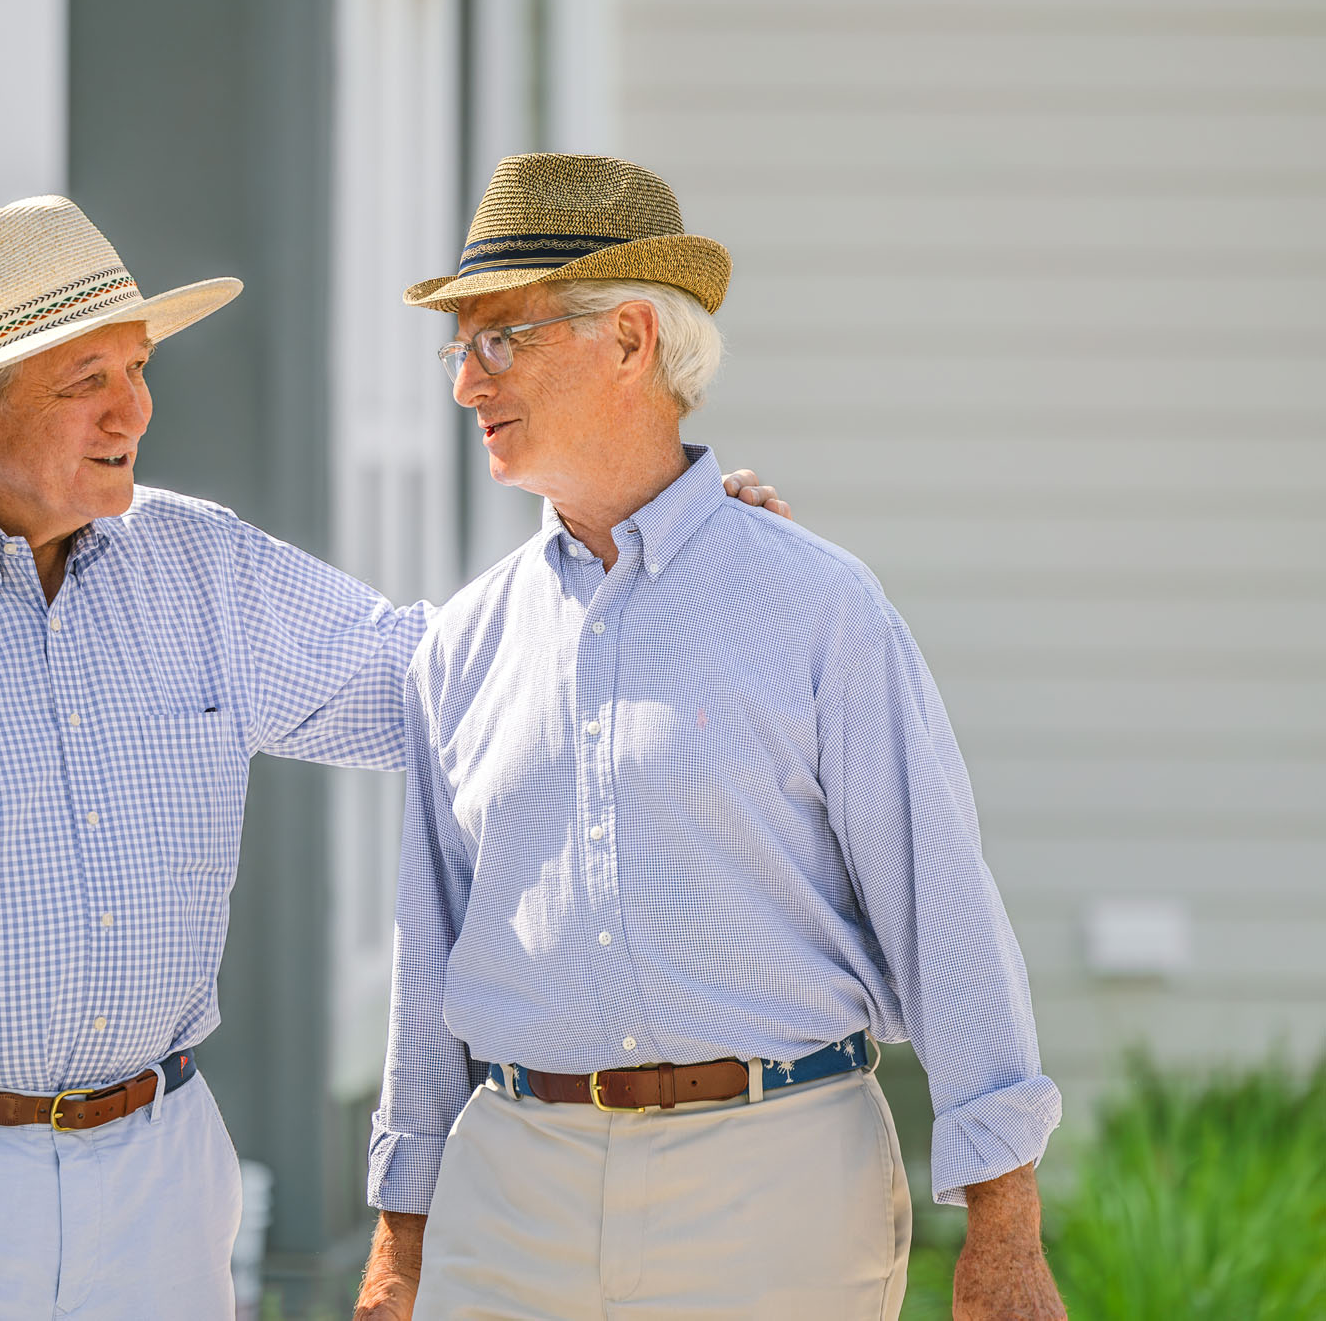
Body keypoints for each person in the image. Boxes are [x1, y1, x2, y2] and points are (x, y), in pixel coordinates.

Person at [0, 193, 791, 1321]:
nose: (131, 412)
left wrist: (653, 548)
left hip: (162, 1174)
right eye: (85, 382)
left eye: (137, 370)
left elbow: (444, 687)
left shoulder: (202, 568)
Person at [356, 154, 1065, 1320]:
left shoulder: (816, 605)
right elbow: (425, 964)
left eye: (499, 342)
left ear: (631, 339)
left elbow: (942, 908)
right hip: (510, 1194)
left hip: (777, 1182)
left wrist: (1004, 1223)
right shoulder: (464, 641)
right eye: (457, 350)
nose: (465, 386)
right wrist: (400, 1234)